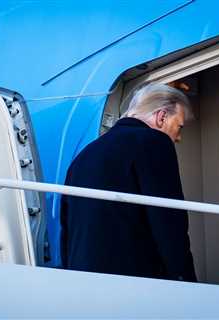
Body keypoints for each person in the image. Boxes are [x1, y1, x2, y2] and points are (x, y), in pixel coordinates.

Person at [60, 82, 197, 282]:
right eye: (179, 126)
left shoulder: (84, 156)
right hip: (135, 282)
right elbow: (168, 222)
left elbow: (67, 229)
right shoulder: (154, 142)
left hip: (84, 281)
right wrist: (186, 279)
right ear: (161, 117)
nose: (179, 137)